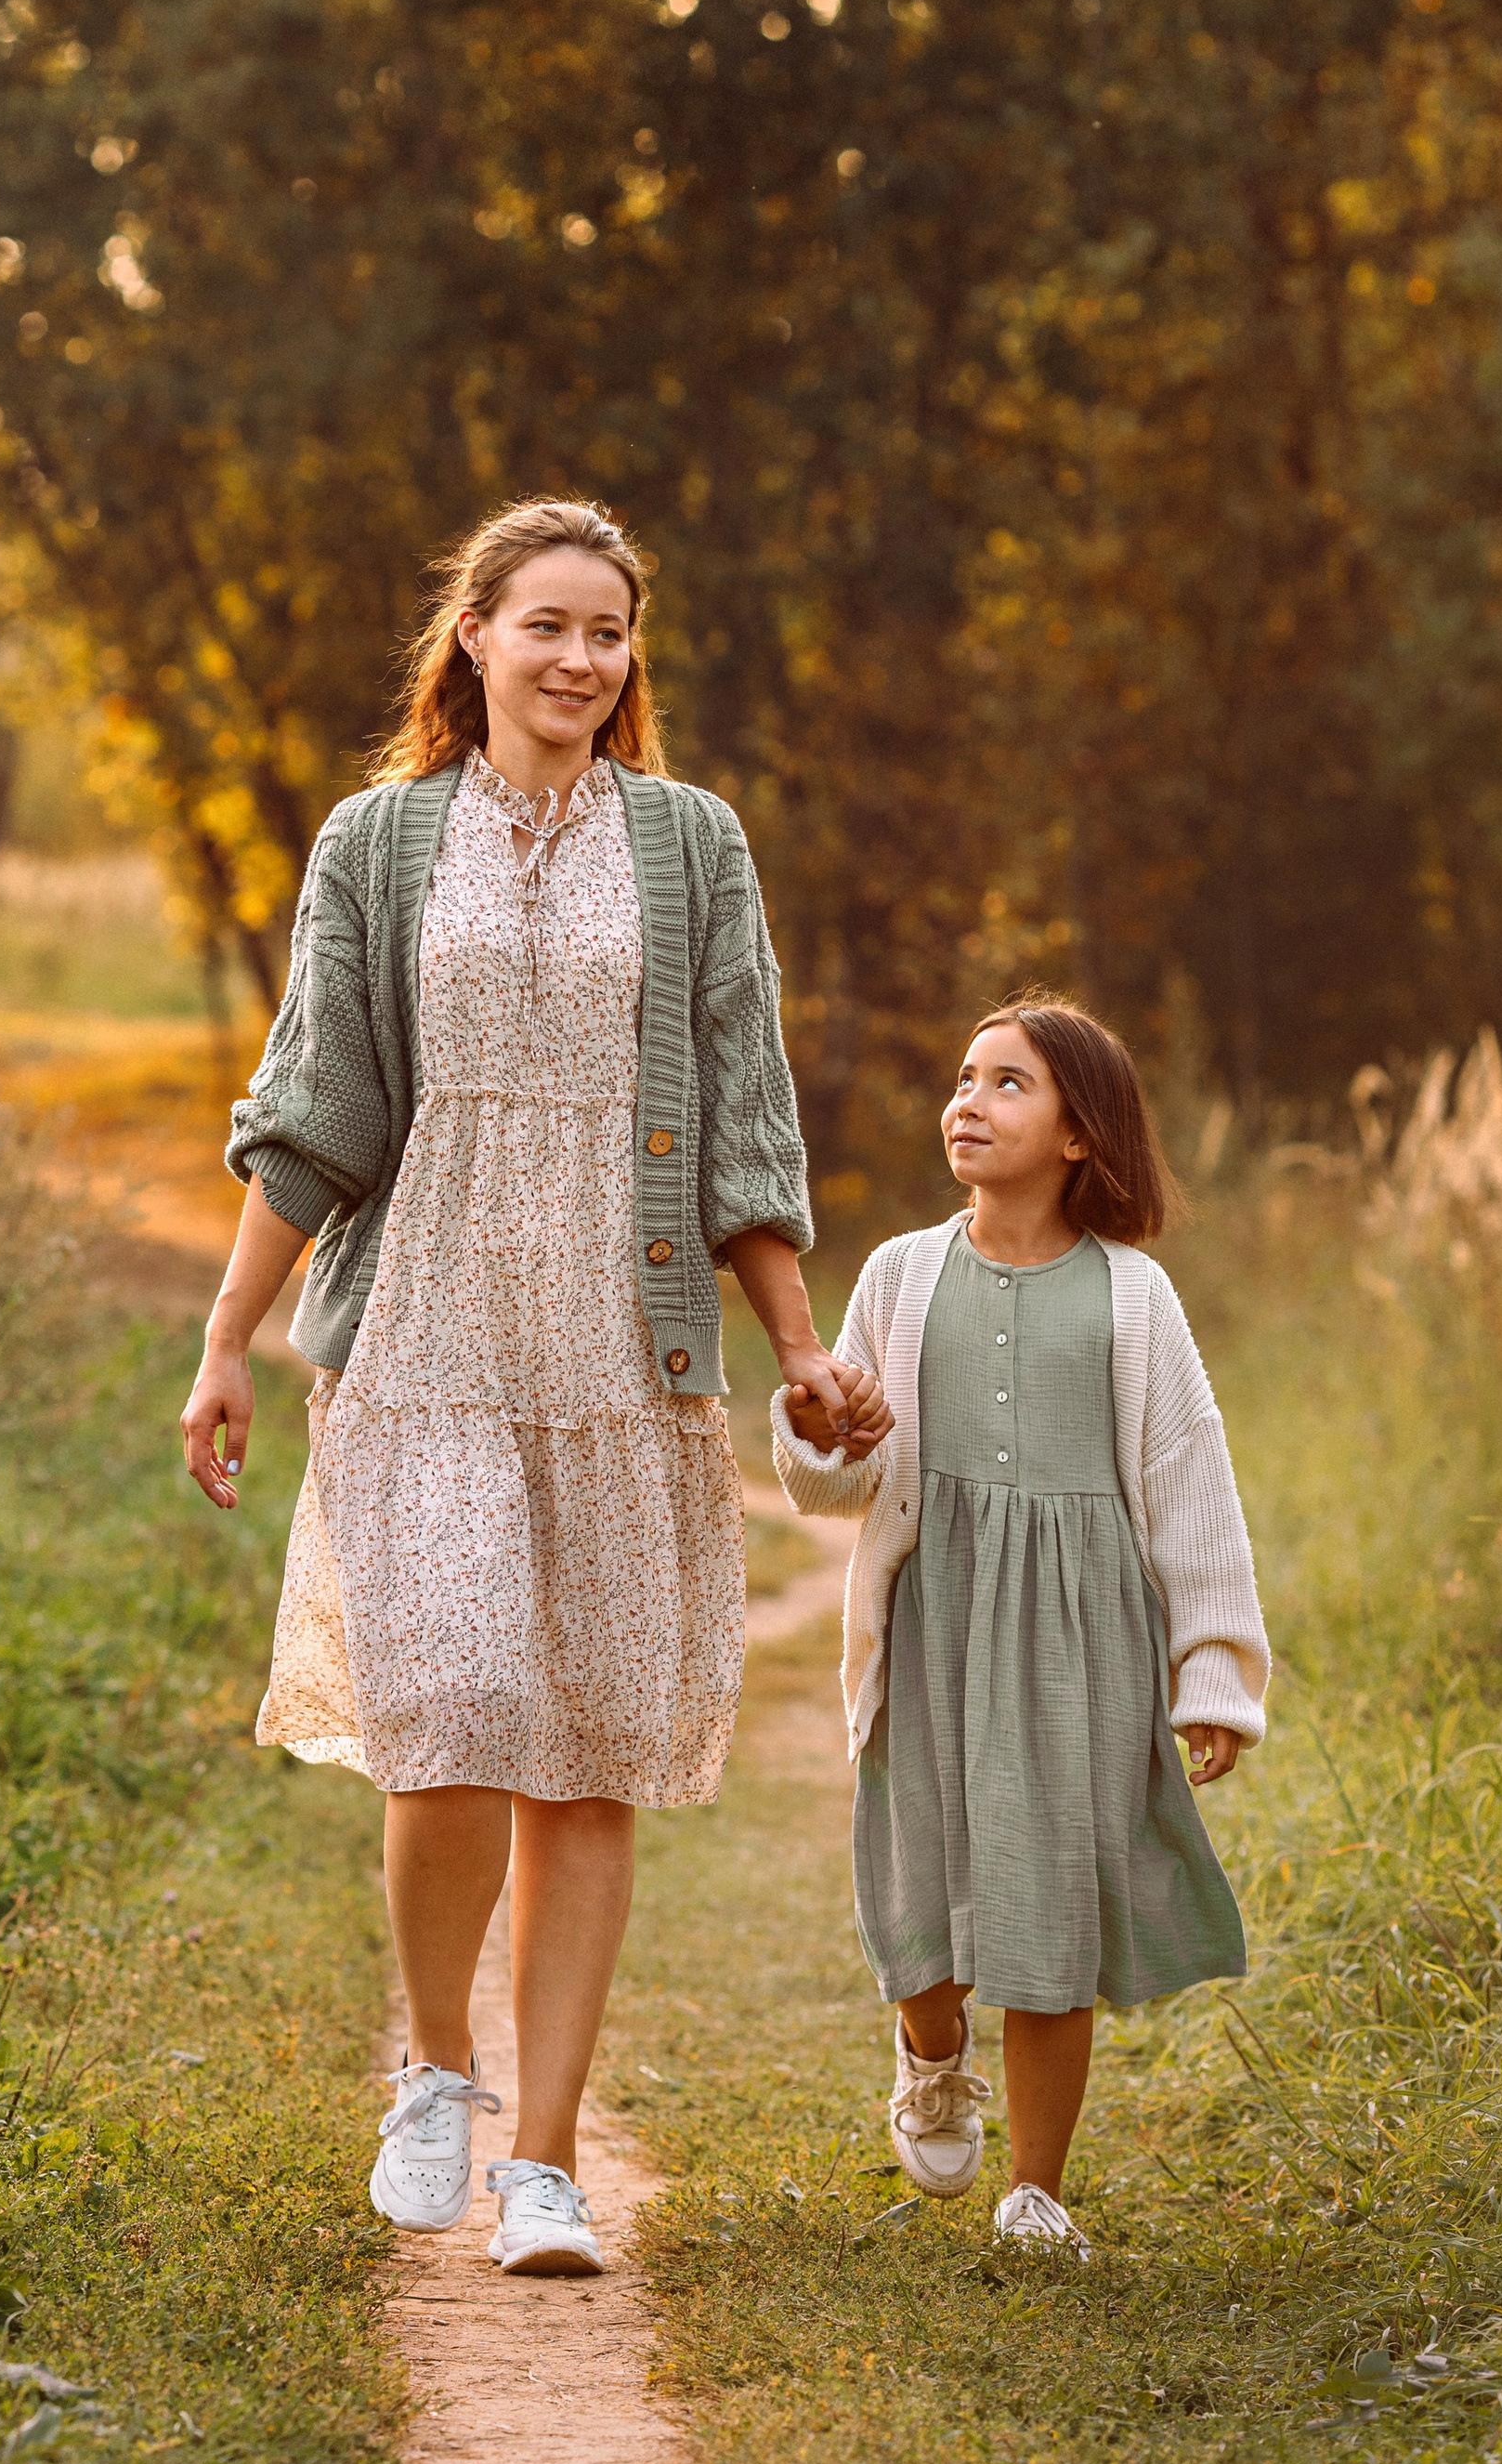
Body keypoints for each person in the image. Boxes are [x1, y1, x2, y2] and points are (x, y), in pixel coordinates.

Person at [179, 498, 855, 2276]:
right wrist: (226, 1339)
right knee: (456, 1713)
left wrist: (794, 1346)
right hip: (427, 1341)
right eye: (545, 624)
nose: (579, 660)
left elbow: (739, 1117)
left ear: (631, 662)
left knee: (587, 1764)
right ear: (471, 638)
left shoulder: (694, 848)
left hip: (623, 1359)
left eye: (609, 634)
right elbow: (318, 1109)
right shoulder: (380, 844)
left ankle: (547, 2163)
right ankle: (440, 2065)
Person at [772, 992, 1268, 2259]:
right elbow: (831, 1482)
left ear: (1080, 1135)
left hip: (1080, 1640)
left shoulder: (1136, 1298)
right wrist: (825, 1428)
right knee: (920, 1883)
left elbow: (1190, 1486)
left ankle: (1036, 2191)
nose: (968, 1102)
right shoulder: (901, 1273)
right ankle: (930, 2050)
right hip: (933, 1619)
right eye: (964, 1078)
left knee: (1054, 1905)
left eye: (1007, 1084)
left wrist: (1211, 1672)